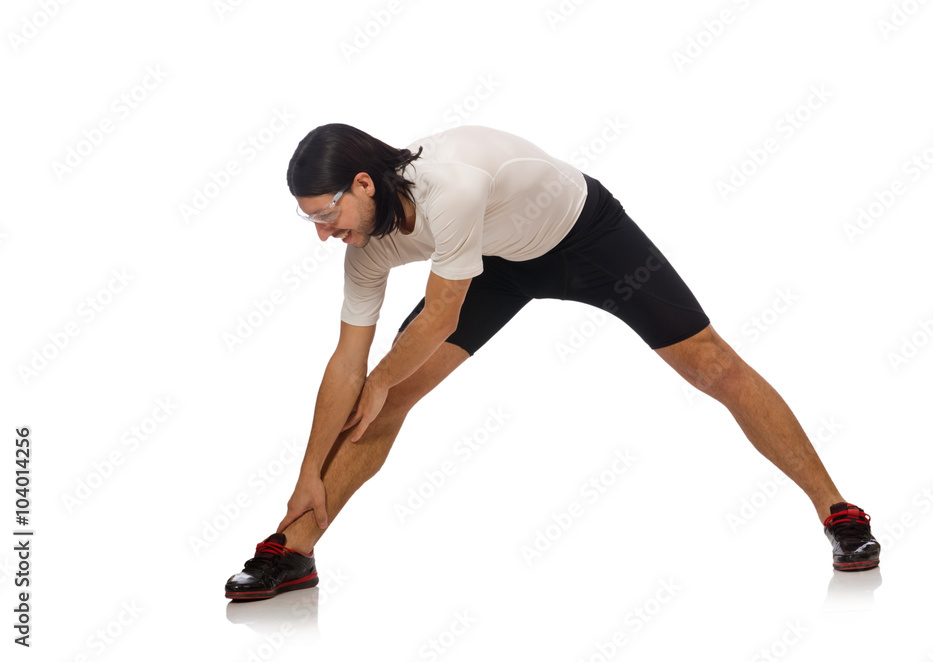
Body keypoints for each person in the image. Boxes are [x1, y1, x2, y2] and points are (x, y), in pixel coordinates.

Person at [224, 124, 880, 601]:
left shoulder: (446, 185)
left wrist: (382, 379)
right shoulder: (363, 247)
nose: (322, 233)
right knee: (380, 402)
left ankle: (838, 513)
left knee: (715, 365)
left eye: (326, 213)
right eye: (309, 220)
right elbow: (346, 363)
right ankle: (295, 549)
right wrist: (309, 468)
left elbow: (441, 317)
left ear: (363, 183)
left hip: (584, 237)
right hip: (493, 265)